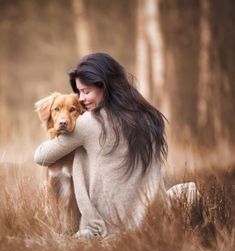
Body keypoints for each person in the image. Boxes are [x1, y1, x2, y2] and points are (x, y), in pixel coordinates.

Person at [34, 52, 167, 240]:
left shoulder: (89, 122)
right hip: (152, 217)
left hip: (108, 225)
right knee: (187, 190)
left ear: (104, 86)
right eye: (79, 92)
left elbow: (40, 156)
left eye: (86, 92)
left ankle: (85, 225)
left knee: (79, 148)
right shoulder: (147, 116)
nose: (81, 99)